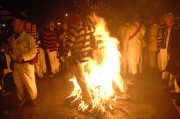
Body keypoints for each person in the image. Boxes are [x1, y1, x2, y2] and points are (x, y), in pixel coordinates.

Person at [7, 18, 37, 107]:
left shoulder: (28, 37)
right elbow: (11, 50)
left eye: (14, 23)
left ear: (20, 25)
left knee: (29, 83)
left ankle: (33, 98)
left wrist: (23, 56)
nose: (12, 24)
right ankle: (21, 99)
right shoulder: (12, 38)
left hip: (26, 65)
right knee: (18, 84)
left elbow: (33, 50)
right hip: (16, 65)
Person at [158, 13, 178, 90]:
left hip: (173, 50)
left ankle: (171, 83)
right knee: (165, 63)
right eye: (165, 19)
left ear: (172, 19)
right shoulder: (165, 28)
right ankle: (165, 78)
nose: (165, 20)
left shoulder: (176, 28)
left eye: (167, 19)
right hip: (165, 48)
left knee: (172, 65)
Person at [123, 14, 146, 80]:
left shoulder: (129, 28)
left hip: (131, 47)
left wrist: (125, 49)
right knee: (139, 60)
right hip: (139, 47)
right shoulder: (143, 27)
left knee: (132, 61)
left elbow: (126, 39)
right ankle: (140, 73)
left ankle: (134, 75)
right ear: (139, 19)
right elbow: (143, 36)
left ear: (133, 19)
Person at [166, 25, 180, 106]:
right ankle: (178, 100)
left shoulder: (177, 30)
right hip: (178, 60)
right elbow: (176, 47)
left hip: (177, 60)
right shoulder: (178, 30)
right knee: (178, 80)